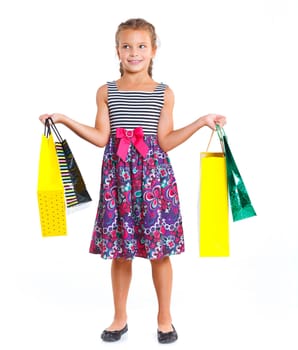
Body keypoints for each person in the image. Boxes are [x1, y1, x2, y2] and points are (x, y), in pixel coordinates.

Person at [39, 18, 226, 344]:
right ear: (117, 51)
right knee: (120, 252)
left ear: (153, 50)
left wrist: (201, 122)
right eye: (127, 46)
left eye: (141, 46)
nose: (134, 52)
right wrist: (65, 120)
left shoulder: (164, 93)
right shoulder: (106, 91)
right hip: (118, 181)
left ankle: (165, 318)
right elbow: (101, 137)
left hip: (155, 180)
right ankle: (119, 317)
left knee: (159, 252)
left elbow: (165, 141)